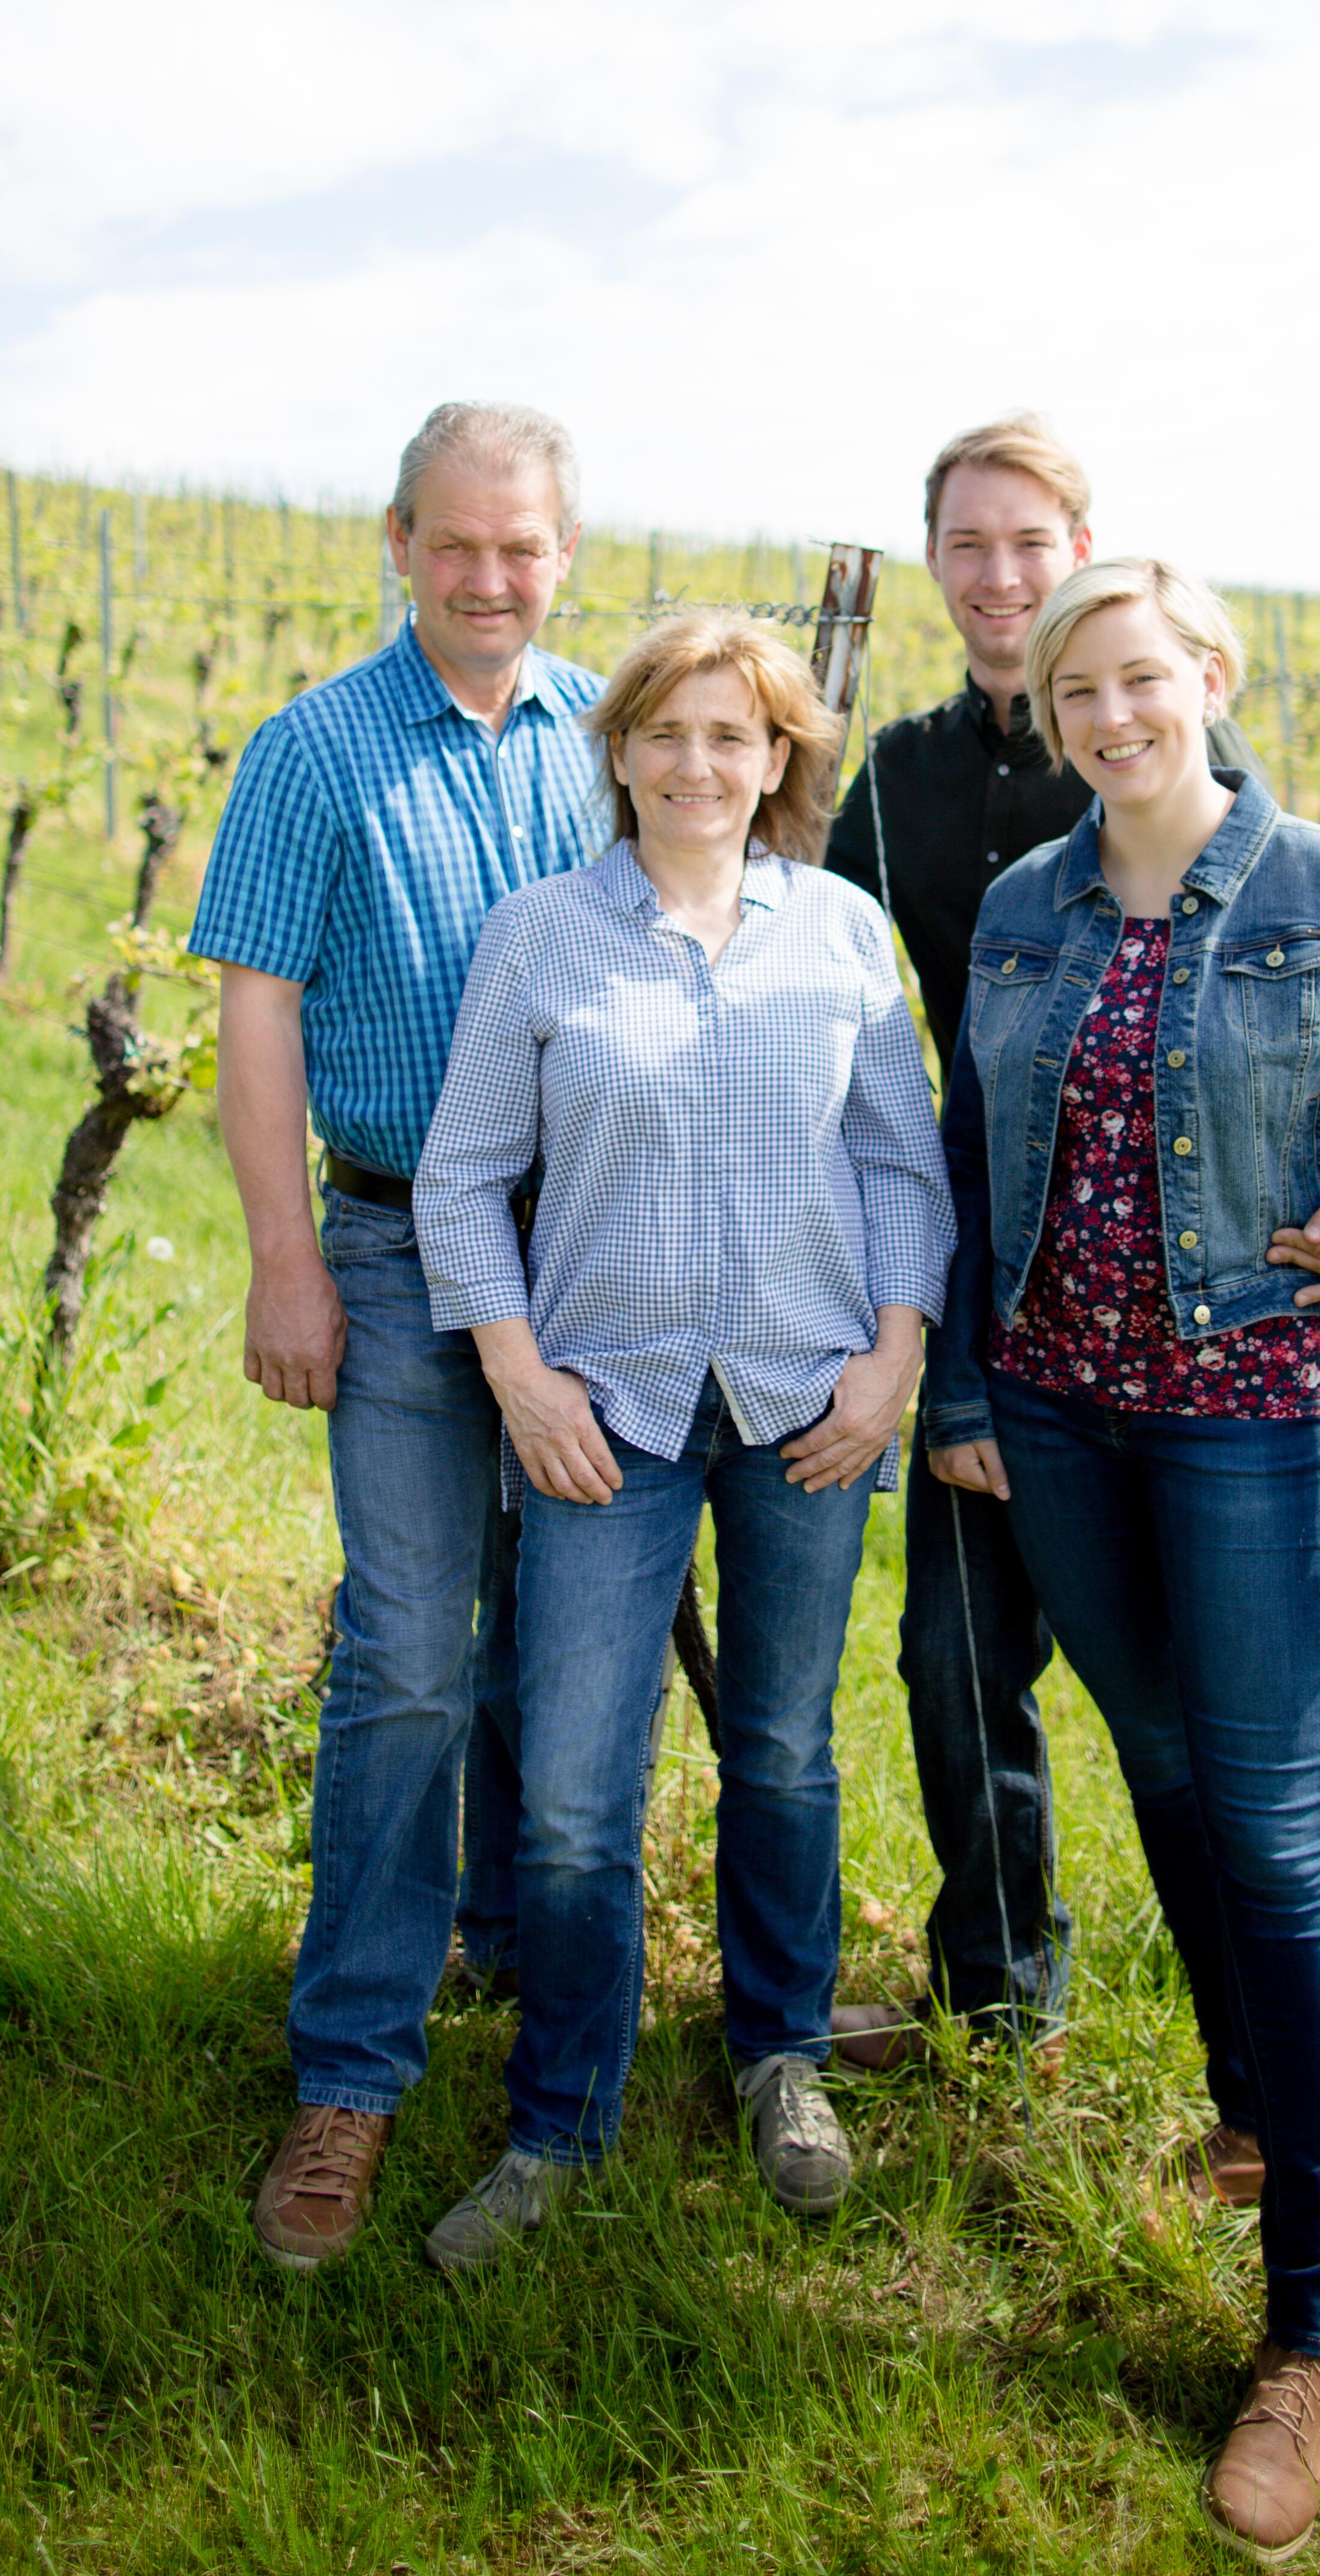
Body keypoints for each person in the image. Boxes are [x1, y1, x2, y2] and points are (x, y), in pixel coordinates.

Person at [922, 556, 1320, 2561]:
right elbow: (981, 1160)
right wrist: (973, 1393)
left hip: (1253, 1420)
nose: (1111, 715)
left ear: (1212, 678)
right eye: (1081, 690)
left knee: (1270, 1828)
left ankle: (1317, 2325)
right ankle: (1251, 2103)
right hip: (1060, 1418)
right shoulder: (1018, 907)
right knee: (1155, 1767)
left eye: (1142, 677)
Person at [823, 419, 1320, 2067]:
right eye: (968, 547)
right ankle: (1002, 1993)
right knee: (953, 1657)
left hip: (1197, 1320)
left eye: (1030, 543)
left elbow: (1308, 984)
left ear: (1084, 552)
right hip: (997, 1287)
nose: (1000, 578)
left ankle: (1255, 2061)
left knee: (1206, 1737)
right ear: (935, 567)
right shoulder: (903, 784)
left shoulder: (1150, 730)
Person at [408, 612, 954, 2272]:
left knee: (779, 1748)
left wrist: (892, 1365)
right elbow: (458, 1180)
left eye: (737, 737)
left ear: (781, 759)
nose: (700, 765)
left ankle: (779, 2056)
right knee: (575, 1793)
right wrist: (518, 1378)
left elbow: (902, 1172)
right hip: (603, 1413)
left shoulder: (843, 935)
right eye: (668, 733)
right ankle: (561, 2114)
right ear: (621, 751)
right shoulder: (540, 940)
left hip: (807, 1400)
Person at [190, 400, 611, 2272]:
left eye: (523, 547)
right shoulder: (312, 751)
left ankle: (525, 1963)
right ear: (397, 540)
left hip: (590, 1265)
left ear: (564, 554)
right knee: (409, 1657)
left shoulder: (618, 733)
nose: (490, 578)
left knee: (555, 1646)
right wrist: (285, 1260)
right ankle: (350, 2069)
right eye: (458, 543)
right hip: (384, 1254)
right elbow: (258, 1011)